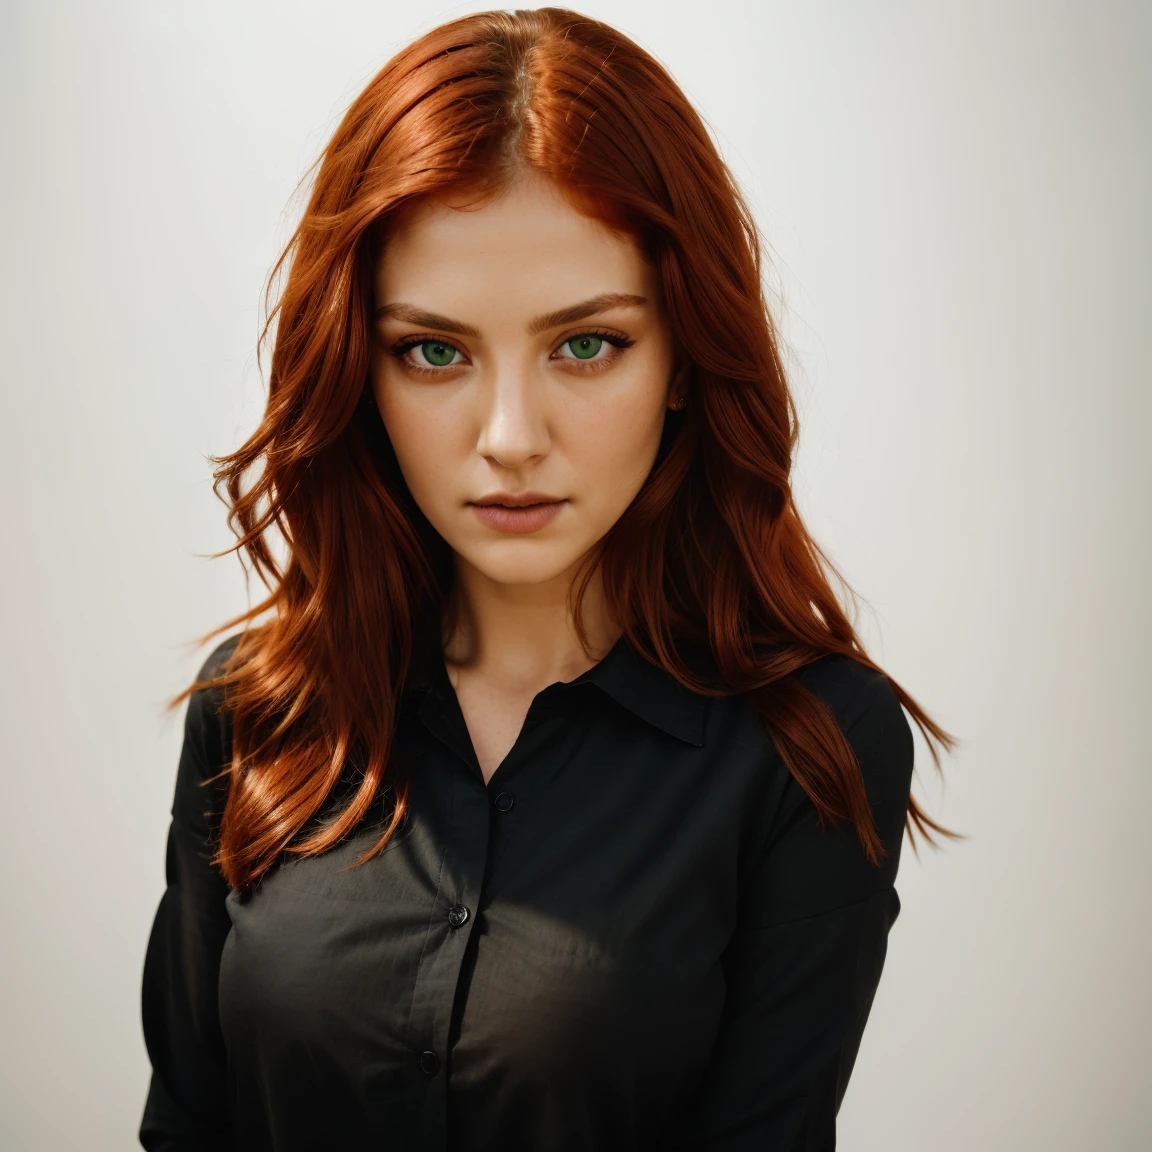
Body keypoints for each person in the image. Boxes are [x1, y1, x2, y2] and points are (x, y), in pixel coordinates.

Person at [139, 8, 955, 1150]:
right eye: (434, 351)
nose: (511, 436)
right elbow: (188, 1124)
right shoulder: (261, 704)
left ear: (685, 359)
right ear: (357, 370)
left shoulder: (811, 750)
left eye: (587, 345)